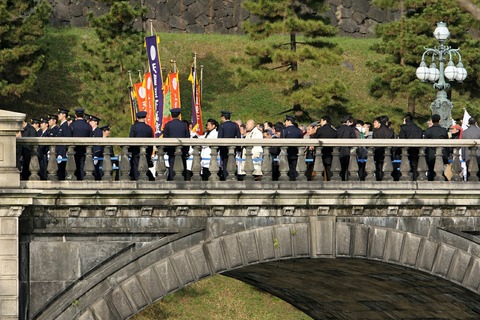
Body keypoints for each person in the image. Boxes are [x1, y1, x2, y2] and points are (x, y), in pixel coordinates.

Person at [163, 108, 190, 181]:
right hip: (182, 149)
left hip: (171, 150)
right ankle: (183, 179)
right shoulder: (184, 125)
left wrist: (165, 149)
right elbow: (187, 137)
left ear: (171, 115)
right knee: (183, 165)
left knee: (172, 165)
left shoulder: (168, 125)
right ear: (179, 115)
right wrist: (187, 150)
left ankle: (172, 179)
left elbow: (165, 138)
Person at [129, 111, 154, 180]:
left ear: (137, 118)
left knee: (136, 168)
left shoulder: (134, 127)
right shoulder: (149, 128)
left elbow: (131, 139)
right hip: (146, 152)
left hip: (136, 152)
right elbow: (151, 141)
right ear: (144, 118)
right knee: (145, 168)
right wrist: (150, 152)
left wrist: (130, 150)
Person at [399, 113, 424, 180]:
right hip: (416, 150)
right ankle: (415, 179)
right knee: (415, 166)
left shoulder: (404, 128)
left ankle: (405, 179)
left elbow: (401, 140)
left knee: (405, 166)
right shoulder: (418, 129)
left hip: (406, 150)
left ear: (405, 120)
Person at [69, 108, 92, 180]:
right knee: (83, 165)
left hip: (75, 149)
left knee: (75, 165)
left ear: (76, 115)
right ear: (83, 115)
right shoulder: (88, 126)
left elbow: (69, 137)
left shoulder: (72, 125)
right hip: (85, 149)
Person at [423, 114, 448, 181]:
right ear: (439, 121)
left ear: (432, 121)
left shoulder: (428, 131)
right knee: (441, 171)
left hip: (431, 154)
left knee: (431, 171)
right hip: (442, 153)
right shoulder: (443, 130)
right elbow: (447, 142)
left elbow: (425, 142)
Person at [217, 111, 241, 180]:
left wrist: (218, 149)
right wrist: (238, 148)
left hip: (224, 148)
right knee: (232, 162)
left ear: (223, 117)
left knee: (225, 164)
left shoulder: (222, 126)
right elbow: (238, 137)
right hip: (233, 148)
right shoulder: (235, 125)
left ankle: (225, 177)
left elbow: (219, 138)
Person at [313, 116, 338, 181]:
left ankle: (320, 182)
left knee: (319, 169)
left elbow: (315, 138)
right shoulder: (334, 131)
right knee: (329, 168)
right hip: (331, 152)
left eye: (321, 121)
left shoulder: (320, 130)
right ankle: (330, 181)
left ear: (324, 121)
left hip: (321, 151)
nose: (320, 123)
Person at [280, 115, 303, 181]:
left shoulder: (284, 130)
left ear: (289, 121)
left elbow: (281, 142)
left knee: (286, 169)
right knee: (295, 168)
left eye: (286, 121)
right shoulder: (299, 131)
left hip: (287, 152)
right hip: (296, 152)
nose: (285, 123)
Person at [373, 116, 394, 181]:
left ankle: (379, 179)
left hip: (378, 152)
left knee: (379, 167)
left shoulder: (376, 131)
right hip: (387, 152)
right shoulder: (390, 131)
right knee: (387, 167)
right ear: (386, 122)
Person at [336, 116, 357, 180]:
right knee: (348, 168)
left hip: (339, 150)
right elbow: (354, 139)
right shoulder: (350, 129)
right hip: (347, 150)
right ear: (347, 121)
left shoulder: (338, 129)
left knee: (340, 168)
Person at [56, 108, 70, 180]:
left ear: (64, 115)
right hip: (59, 151)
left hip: (62, 152)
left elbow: (65, 140)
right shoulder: (61, 126)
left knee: (61, 171)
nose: (58, 115)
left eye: (60, 114)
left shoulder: (65, 126)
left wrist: (62, 153)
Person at [90, 115, 103, 180]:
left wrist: (96, 155)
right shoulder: (92, 131)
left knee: (96, 170)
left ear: (96, 122)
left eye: (91, 121)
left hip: (96, 153)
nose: (90, 123)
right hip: (92, 153)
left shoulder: (98, 131)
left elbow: (98, 144)